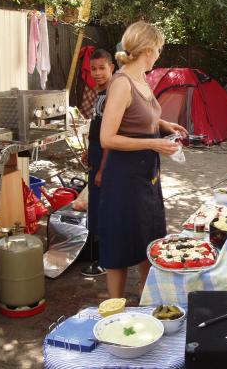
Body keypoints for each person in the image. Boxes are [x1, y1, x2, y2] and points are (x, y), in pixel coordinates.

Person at [99, 21, 187, 298]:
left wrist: (164, 125)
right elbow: (107, 138)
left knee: (147, 235)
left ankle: (148, 297)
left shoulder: (141, 80)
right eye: (159, 49)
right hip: (124, 177)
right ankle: (114, 306)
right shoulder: (121, 83)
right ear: (148, 50)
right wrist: (153, 143)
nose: (160, 54)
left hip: (147, 174)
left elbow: (141, 115)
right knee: (121, 238)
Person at [81, 49, 115, 277]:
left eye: (102, 68)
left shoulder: (114, 94)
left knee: (106, 212)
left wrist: (103, 169)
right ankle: (100, 257)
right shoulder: (99, 93)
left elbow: (110, 138)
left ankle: (108, 262)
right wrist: (87, 150)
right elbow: (97, 128)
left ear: (112, 67)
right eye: (94, 68)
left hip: (107, 163)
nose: (97, 73)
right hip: (95, 158)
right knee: (96, 209)